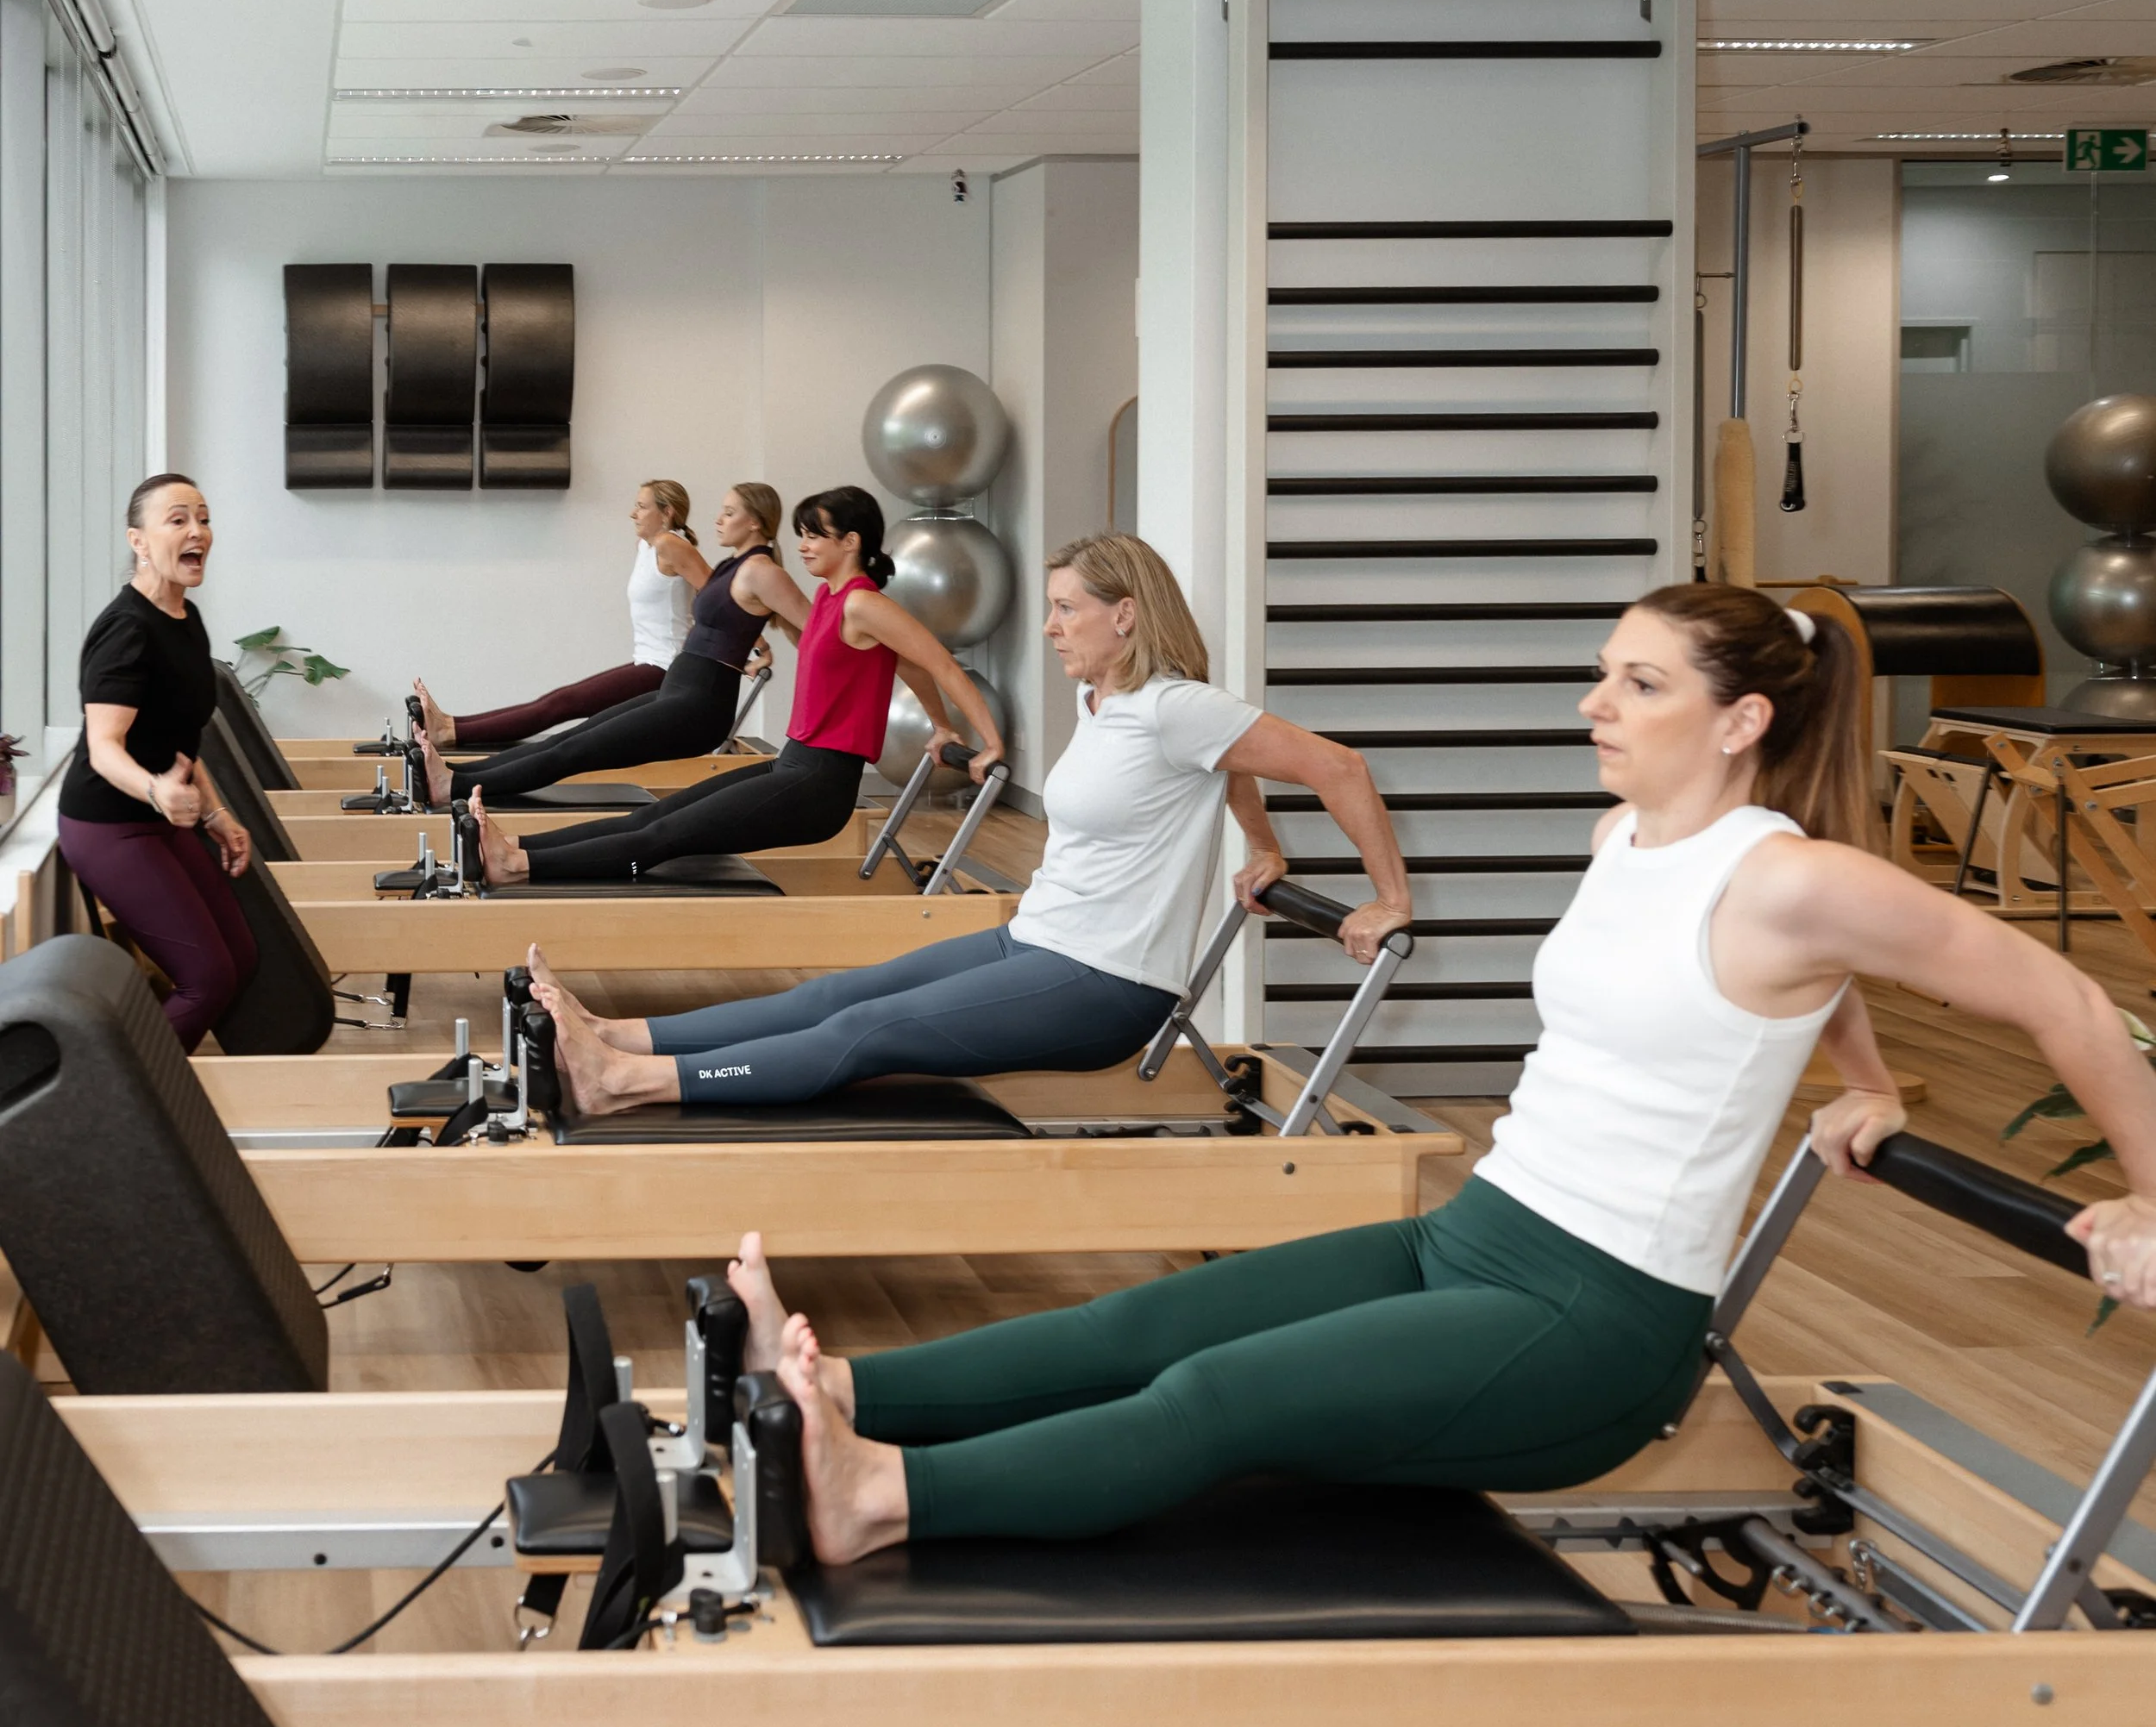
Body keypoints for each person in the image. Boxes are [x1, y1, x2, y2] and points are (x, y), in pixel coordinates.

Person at [705, 580, 2156, 1565]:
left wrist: (2148, 1208)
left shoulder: (1802, 879)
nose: (1596, 702)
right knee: (1137, 1325)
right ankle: (834, 1401)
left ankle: (878, 1501)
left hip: (1594, 1319)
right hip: (1477, 1233)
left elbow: (2070, 1004)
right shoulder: (1629, 845)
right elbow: (1782, 990)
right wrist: (1874, 1083)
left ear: (1742, 719)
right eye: (1604, 673)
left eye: (1638, 683)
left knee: (1212, 1399)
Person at [528, 529, 1412, 1112]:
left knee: (861, 1036)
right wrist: (1261, 844)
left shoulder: (1174, 704)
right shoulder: (1106, 703)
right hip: (1036, 939)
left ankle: (629, 1083)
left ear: (1125, 614)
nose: (1053, 628)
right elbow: (1235, 767)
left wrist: (1387, 901)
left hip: (1104, 980)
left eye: (1068, 608)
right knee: (833, 994)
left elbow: (1338, 767)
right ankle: (615, 1034)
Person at [467, 484, 1003, 887]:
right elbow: (905, 668)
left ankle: (516, 865)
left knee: (662, 838)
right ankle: (516, 846)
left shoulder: (865, 603)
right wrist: (939, 725)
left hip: (820, 784)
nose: (804, 544)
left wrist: (989, 742)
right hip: (794, 763)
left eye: (816, 534)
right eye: (803, 533)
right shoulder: (830, 604)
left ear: (852, 541)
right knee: (653, 815)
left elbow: (940, 663)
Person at [420, 482, 791, 805]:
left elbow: (780, 617)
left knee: (570, 738)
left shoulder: (731, 562)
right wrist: (759, 646)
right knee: (569, 734)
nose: (718, 519)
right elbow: (730, 609)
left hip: (684, 687)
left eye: (729, 512)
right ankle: (456, 771)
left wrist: (760, 647)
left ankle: (454, 775)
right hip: (678, 682)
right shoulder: (725, 563)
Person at [55, 473, 258, 1053]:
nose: (198, 531)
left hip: (159, 818)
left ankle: (168, 1087)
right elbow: (104, 748)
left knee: (239, 958)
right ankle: (116, 1100)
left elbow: (180, 742)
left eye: (203, 517)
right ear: (138, 542)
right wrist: (157, 793)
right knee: (208, 977)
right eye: (177, 520)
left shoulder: (185, 620)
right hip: (107, 826)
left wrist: (218, 816)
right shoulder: (127, 630)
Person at [413, 477, 704, 758]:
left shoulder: (671, 545)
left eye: (642, 506)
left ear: (667, 512)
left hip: (667, 669)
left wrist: (742, 647)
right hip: (648, 662)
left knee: (561, 704)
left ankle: (451, 731)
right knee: (556, 700)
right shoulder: (647, 547)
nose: (632, 513)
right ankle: (452, 724)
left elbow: (721, 596)